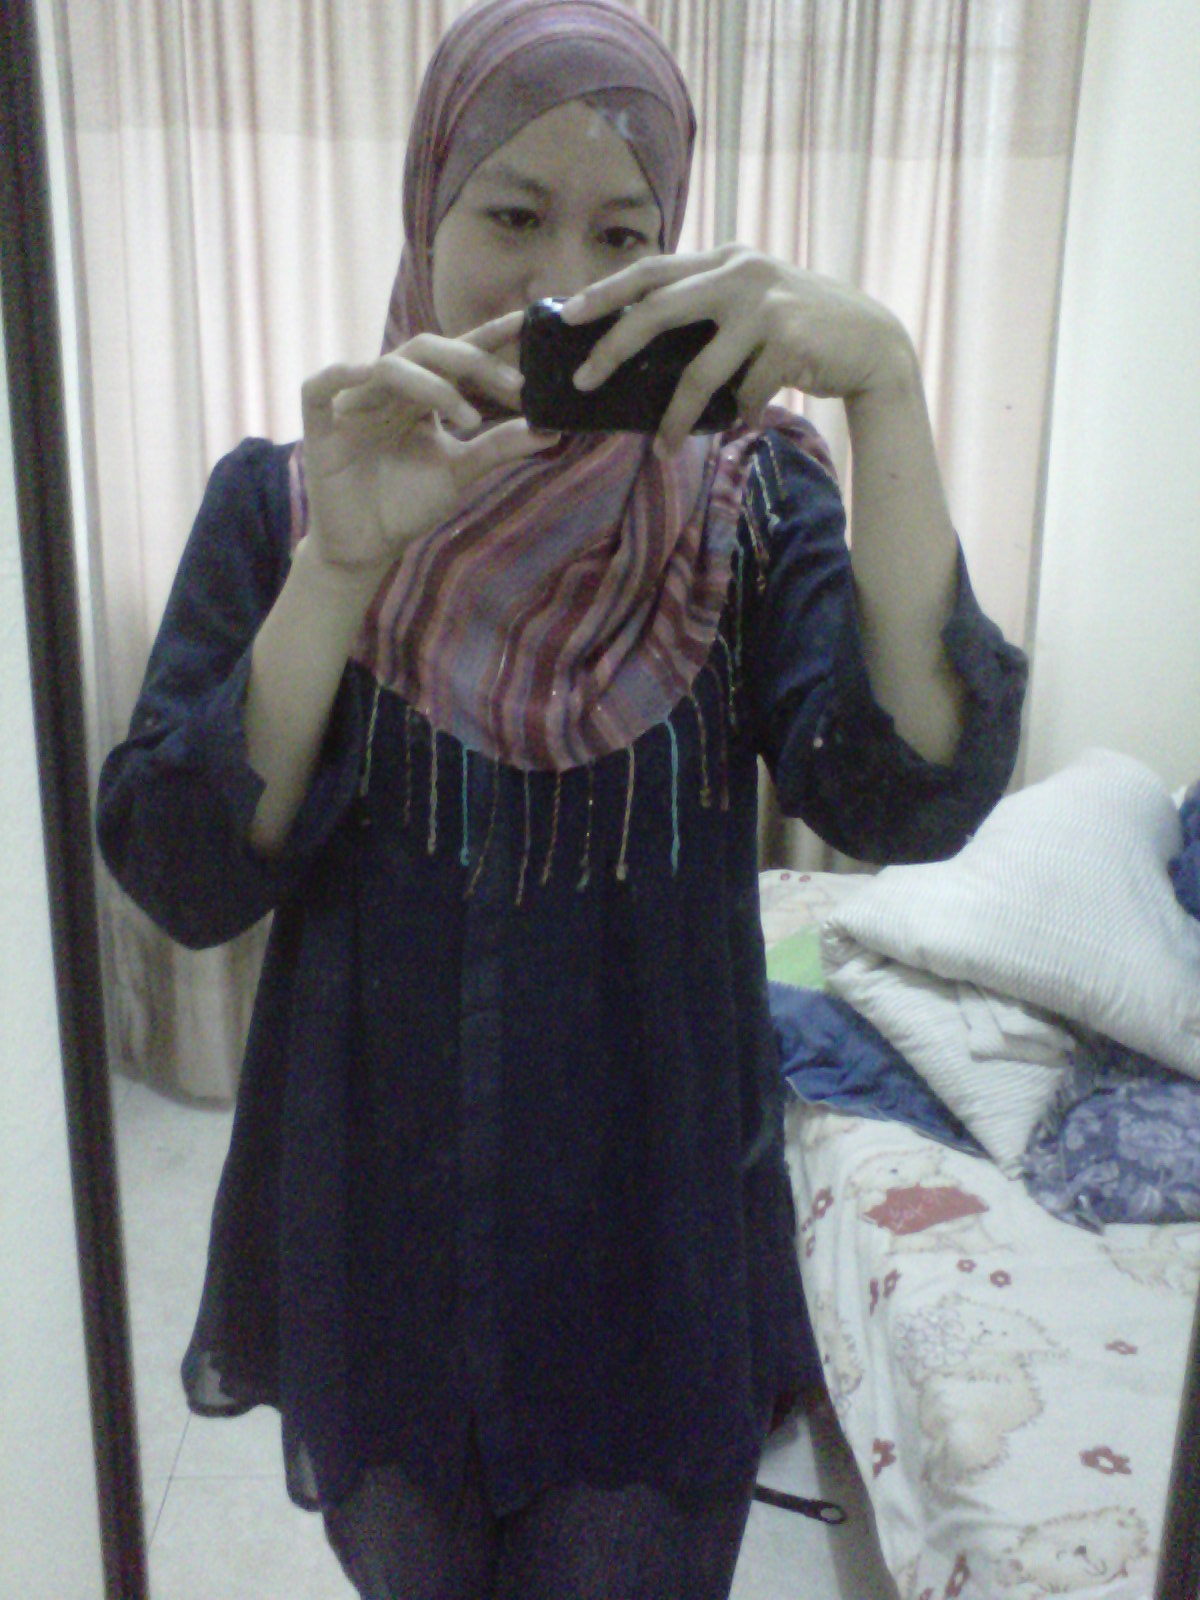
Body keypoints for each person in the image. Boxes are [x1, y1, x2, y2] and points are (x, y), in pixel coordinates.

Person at [95, 1, 1028, 1596]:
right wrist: (340, 567)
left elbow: (909, 789)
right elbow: (183, 871)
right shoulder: (289, 497)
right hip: (378, 1240)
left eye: (623, 236)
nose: (564, 284)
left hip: (646, 1257)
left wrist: (886, 388)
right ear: (426, 216)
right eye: (512, 217)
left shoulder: (747, 511)